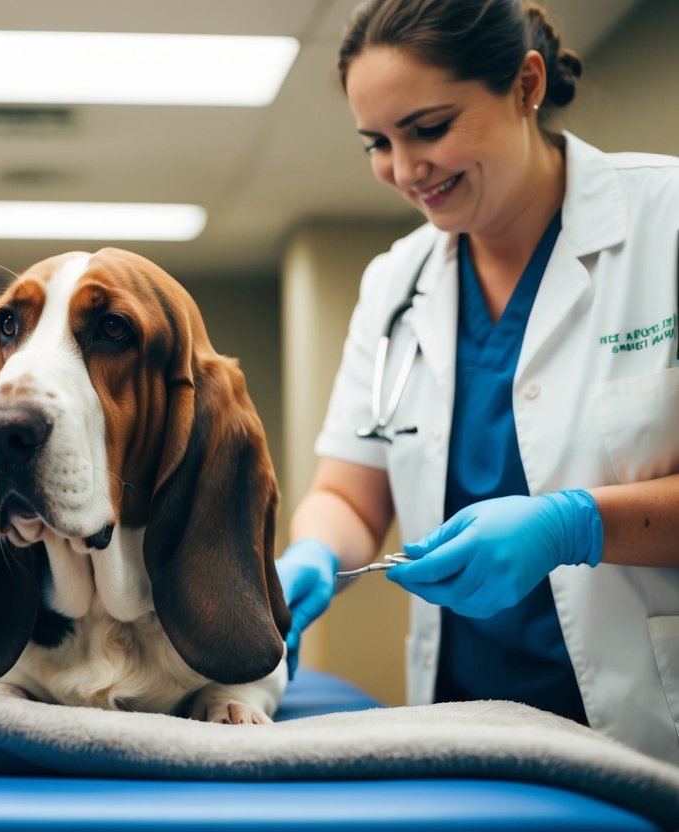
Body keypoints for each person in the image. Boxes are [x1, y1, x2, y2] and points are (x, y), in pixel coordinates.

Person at [274, 0, 679, 765]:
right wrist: (314, 555)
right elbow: (349, 494)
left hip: (646, 730)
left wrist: (575, 524)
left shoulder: (667, 224)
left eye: (427, 128)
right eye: (377, 142)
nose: (402, 169)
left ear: (525, 85)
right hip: (466, 734)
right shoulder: (395, 283)